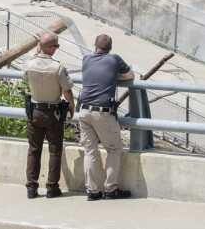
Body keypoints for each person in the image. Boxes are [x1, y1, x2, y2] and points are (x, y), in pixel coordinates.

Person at [77, 33, 134, 201]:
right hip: (102, 112)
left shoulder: (86, 59)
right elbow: (130, 76)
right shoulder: (114, 59)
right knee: (114, 149)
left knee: (90, 151)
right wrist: (114, 76)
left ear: (95, 46)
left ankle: (93, 191)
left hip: (84, 111)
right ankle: (110, 189)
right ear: (110, 48)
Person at [22, 32, 74, 199]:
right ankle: (52, 187)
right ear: (50, 48)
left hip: (34, 111)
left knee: (34, 150)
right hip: (53, 113)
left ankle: (31, 187)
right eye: (56, 46)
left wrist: (38, 50)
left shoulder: (29, 64)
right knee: (55, 151)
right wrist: (72, 107)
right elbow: (67, 91)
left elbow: (24, 75)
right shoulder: (58, 67)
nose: (57, 49)